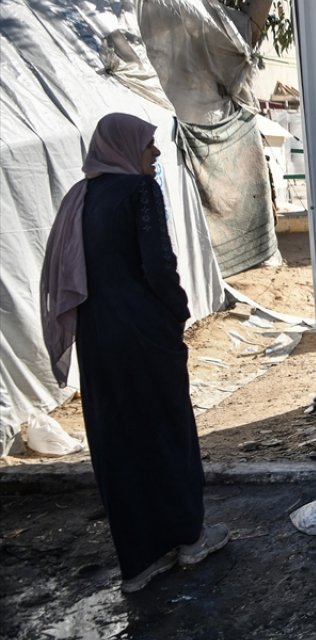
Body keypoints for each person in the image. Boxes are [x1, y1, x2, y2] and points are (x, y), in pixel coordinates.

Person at [39, 113, 229, 594]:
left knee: (119, 439)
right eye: (149, 146)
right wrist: (177, 312)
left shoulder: (79, 198)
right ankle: (189, 539)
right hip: (143, 334)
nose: (156, 154)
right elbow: (159, 264)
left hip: (98, 340)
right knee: (167, 429)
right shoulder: (139, 192)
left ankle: (140, 561)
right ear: (125, 148)